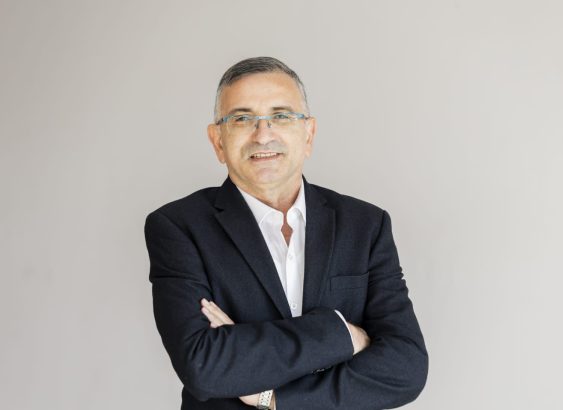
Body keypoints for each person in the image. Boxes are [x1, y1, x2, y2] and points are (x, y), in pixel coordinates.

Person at [144, 56, 428, 409]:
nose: (263, 135)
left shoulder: (366, 225)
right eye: (242, 119)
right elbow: (204, 367)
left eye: (281, 116)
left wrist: (272, 397)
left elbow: (406, 368)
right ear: (218, 141)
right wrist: (342, 334)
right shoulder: (178, 227)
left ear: (308, 134)